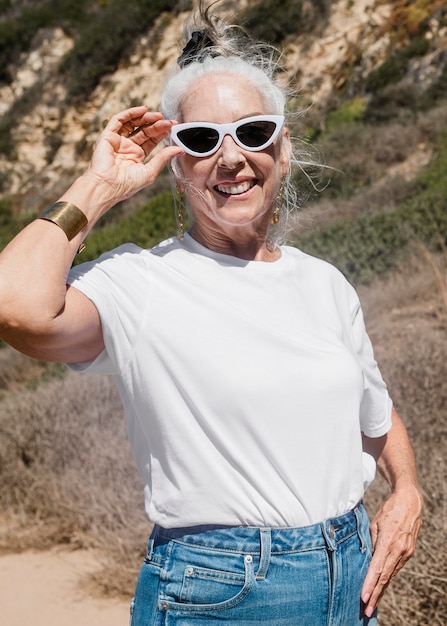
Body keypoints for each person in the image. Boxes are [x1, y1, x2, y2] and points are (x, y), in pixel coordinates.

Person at [0, 4, 423, 624]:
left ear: (281, 145)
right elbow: (15, 306)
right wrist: (101, 187)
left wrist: (407, 491)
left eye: (253, 131)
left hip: (352, 578)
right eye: (200, 140)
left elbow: (375, 417)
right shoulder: (138, 282)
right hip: (221, 591)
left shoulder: (323, 282)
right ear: (175, 164)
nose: (230, 158)